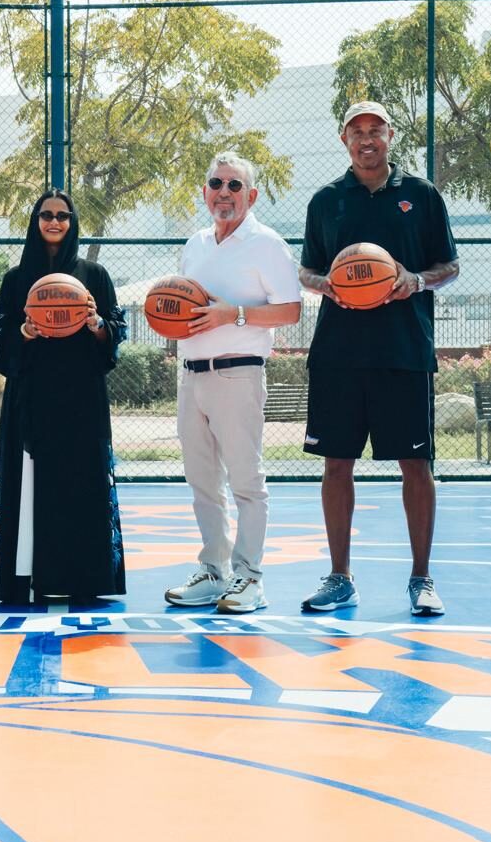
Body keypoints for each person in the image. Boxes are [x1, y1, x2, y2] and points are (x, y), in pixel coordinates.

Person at [298, 101, 460, 617]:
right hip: (339, 354)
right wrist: (326, 284)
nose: (366, 139)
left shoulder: (421, 196)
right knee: (336, 464)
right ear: (344, 139)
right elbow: (306, 271)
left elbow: (450, 264)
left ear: (390, 135)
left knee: (416, 463)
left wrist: (416, 279)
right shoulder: (327, 200)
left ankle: (421, 579)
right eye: (356, 132)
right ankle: (340, 577)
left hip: (403, 351)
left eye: (375, 130)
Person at [164, 152, 302, 614]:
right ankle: (214, 571)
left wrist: (234, 314)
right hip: (192, 375)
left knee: (245, 480)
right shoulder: (196, 243)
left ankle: (250, 578)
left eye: (234, 186)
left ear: (252, 194)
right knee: (202, 481)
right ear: (205, 192)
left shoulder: (267, 244)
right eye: (216, 183)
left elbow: (291, 309)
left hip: (238, 371)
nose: (224, 192)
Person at [0, 190, 127, 604]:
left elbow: (115, 334)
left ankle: (83, 577)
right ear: (35, 221)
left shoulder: (94, 275)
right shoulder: (16, 279)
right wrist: (23, 333)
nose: (54, 222)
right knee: (29, 483)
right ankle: (28, 578)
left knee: (80, 483)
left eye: (63, 216)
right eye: (46, 215)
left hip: (81, 394)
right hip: (30, 395)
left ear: (73, 222)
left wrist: (97, 324)